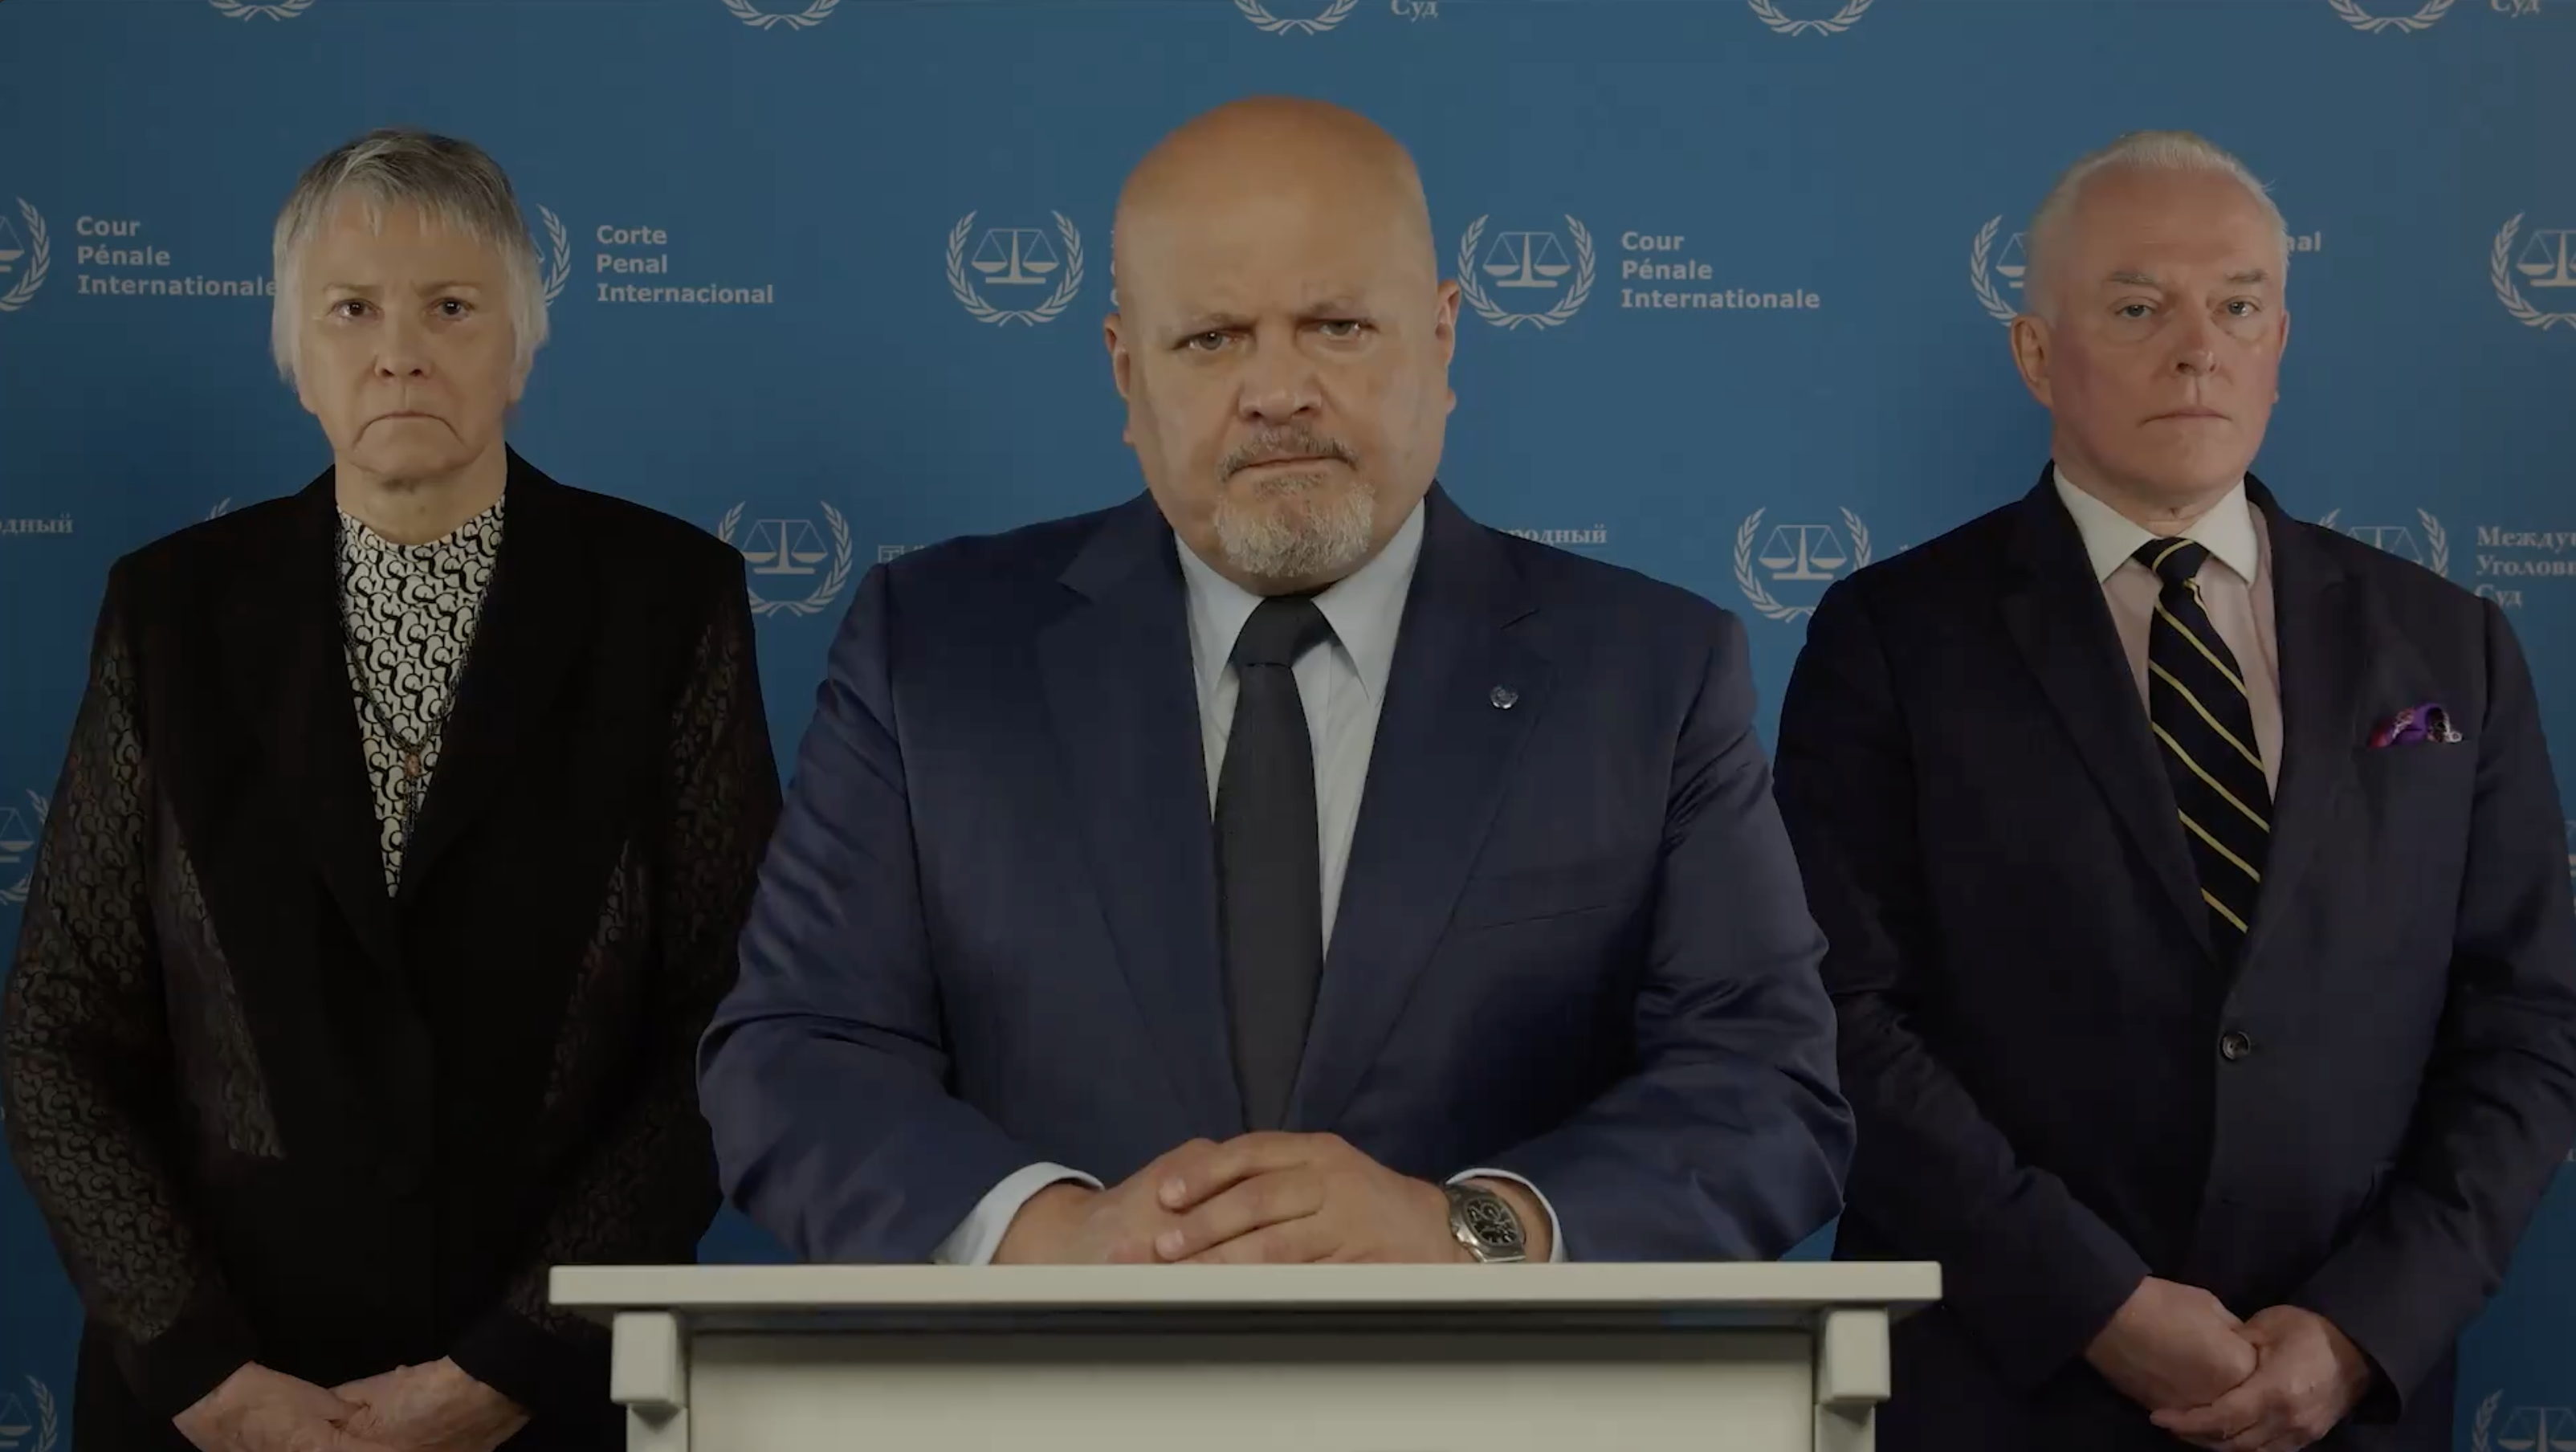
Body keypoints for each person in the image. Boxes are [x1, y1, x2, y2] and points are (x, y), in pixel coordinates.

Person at [698, 96, 1849, 1268]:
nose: (1278, 390)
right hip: (1055, 1373)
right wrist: (1057, 1242)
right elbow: (796, 1057)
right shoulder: (932, 651)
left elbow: (1765, 1086)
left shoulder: (1650, 672)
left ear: (1443, 338)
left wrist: (1467, 1233)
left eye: (1337, 326)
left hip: (1490, 1376)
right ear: (1125, 372)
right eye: (1212, 339)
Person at [1774, 129, 2576, 1452]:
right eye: (2140, 308)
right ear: (2038, 355)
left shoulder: (2450, 646)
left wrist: (2361, 1328)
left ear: (2280, 340)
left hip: (2348, 1406)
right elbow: (1840, 1015)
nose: (2199, 348)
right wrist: (2096, 1302)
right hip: (2006, 1390)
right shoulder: (1893, 640)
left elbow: (2529, 1025)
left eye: (2239, 306)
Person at [0, 129, 781, 1452]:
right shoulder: (169, 613)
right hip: (207, 1401)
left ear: (523, 346)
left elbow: (724, 1022)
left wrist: (514, 1361)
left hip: (547, 1400)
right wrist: (202, 1371)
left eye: (453, 307)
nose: (400, 352)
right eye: (351, 309)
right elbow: (58, 1032)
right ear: (293, 354)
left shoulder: (667, 605)